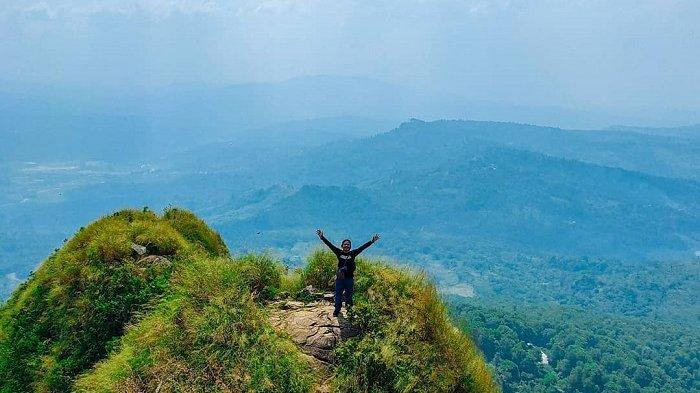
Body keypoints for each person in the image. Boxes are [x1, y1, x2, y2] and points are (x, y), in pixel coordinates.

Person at [316, 229, 380, 317]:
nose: (346, 245)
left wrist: (372, 241)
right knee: (338, 295)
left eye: (348, 244)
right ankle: (337, 310)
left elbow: (363, 247)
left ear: (350, 246)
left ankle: (349, 311)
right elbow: (329, 245)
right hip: (340, 279)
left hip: (349, 279)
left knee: (349, 296)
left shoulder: (353, 253)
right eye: (345, 244)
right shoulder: (339, 252)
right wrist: (322, 237)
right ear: (342, 246)